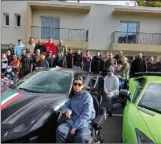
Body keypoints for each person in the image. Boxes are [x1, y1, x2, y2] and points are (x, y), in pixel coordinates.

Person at [56, 76, 96, 143]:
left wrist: (75, 127)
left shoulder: (87, 96)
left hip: (85, 122)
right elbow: (65, 105)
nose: (76, 86)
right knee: (60, 130)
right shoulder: (72, 95)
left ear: (82, 86)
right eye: (75, 84)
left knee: (81, 137)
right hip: (73, 120)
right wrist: (66, 110)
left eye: (79, 84)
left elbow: (86, 115)